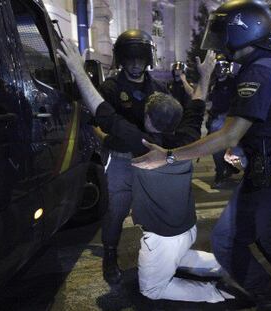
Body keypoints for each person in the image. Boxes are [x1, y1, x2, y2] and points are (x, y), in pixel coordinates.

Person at [133, 1, 271, 310]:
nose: (216, 38)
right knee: (268, 234)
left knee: (227, 241)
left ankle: (270, 300)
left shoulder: (260, 71)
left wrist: (170, 156)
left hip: (269, 174)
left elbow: (230, 132)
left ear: (241, 32)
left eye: (220, 31)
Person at [58, 42, 235, 302]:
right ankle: (227, 265)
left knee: (152, 289)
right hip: (185, 229)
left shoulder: (142, 143)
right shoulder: (188, 138)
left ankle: (218, 294)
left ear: (149, 120)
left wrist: (77, 70)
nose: (136, 64)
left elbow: (105, 115)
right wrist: (205, 74)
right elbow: (196, 107)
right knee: (118, 211)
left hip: (162, 233)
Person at [94, 29, 168, 284]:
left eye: (140, 57)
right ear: (121, 59)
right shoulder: (111, 87)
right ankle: (110, 254)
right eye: (130, 57)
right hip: (121, 160)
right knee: (115, 210)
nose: (136, 63)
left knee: (152, 212)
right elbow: (102, 121)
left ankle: (154, 258)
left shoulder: (158, 87)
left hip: (150, 161)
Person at [207, 54, 240, 188]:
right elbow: (212, 102)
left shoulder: (233, 82)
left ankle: (222, 173)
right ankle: (224, 169)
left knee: (218, 147)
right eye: (218, 66)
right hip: (215, 118)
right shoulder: (214, 83)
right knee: (217, 148)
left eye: (222, 66)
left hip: (228, 118)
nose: (220, 69)